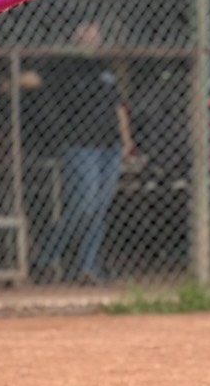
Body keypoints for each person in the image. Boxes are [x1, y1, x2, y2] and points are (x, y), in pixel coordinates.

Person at [27, 21, 133, 286]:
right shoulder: (64, 65)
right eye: (86, 36)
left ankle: (88, 267)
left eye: (95, 36)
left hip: (110, 146)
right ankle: (47, 256)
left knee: (99, 208)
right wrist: (10, 79)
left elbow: (118, 106)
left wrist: (126, 142)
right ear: (75, 39)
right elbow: (37, 79)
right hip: (80, 144)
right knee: (83, 205)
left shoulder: (105, 69)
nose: (92, 40)